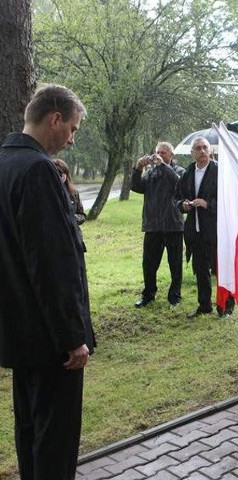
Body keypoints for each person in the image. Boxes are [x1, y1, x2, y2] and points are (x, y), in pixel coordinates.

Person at [0, 84, 96, 480]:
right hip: (50, 338)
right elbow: (52, 264)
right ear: (54, 119)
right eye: (72, 128)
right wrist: (72, 336)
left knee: (30, 432)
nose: (72, 139)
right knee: (55, 442)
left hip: (17, 331)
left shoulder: (6, 163)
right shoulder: (38, 170)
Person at [177, 137, 235, 318]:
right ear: (192, 153)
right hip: (195, 230)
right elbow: (177, 197)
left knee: (220, 269)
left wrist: (208, 204)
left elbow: (230, 200)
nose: (202, 151)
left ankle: (225, 306)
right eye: (197, 148)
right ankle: (204, 305)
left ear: (210, 151)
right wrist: (183, 205)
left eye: (205, 148)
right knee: (200, 270)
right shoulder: (188, 173)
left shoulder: (220, 171)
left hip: (216, 230)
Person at [131, 142, 186, 308]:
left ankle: (174, 296)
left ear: (171, 155)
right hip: (153, 224)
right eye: (157, 152)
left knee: (175, 263)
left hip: (173, 224)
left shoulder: (179, 171)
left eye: (163, 152)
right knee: (149, 263)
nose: (159, 155)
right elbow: (136, 187)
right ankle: (148, 294)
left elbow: (180, 185)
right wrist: (138, 169)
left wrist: (164, 166)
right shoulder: (150, 172)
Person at [53, 158, 87, 226]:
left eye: (61, 173)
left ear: (66, 174)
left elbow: (82, 215)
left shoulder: (73, 193)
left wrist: (72, 218)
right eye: (56, 173)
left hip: (71, 232)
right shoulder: (45, 192)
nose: (59, 176)